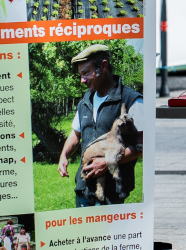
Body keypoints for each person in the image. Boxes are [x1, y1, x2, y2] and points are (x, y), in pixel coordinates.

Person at [57, 44, 146, 206]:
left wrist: (107, 162)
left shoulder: (131, 100)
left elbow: (143, 144)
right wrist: (64, 156)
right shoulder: (86, 101)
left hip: (112, 194)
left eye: (86, 73)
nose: (82, 80)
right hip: (84, 189)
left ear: (103, 66)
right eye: (81, 74)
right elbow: (76, 133)